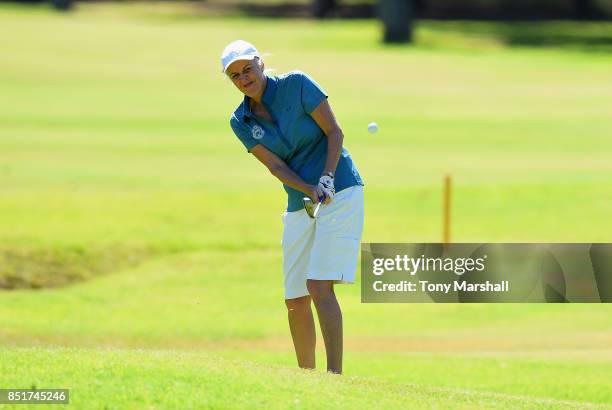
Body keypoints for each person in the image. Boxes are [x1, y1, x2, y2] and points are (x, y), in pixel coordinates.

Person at [222, 40, 364, 374]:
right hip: (300, 198)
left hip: (340, 188)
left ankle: (334, 377)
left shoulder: (298, 84)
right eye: (235, 76)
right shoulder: (239, 120)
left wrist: (326, 178)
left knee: (318, 285)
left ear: (260, 64)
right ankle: (306, 378)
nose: (244, 78)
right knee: (295, 298)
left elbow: (334, 131)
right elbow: (276, 167)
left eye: (247, 69)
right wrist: (310, 189)